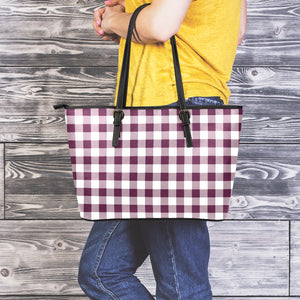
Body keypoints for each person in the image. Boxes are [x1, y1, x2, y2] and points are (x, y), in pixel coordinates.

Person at [78, 0, 247, 299]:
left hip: (170, 113)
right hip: (153, 117)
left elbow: (159, 25)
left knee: (182, 287)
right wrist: (128, 19)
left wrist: (114, 20)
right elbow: (234, 31)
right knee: (101, 271)